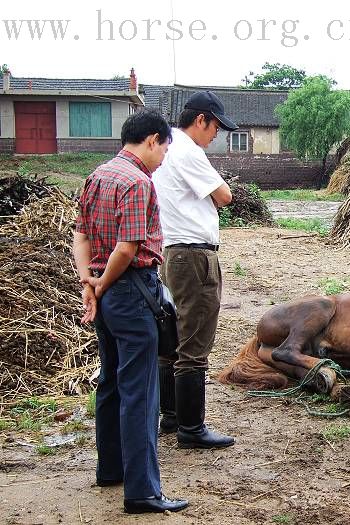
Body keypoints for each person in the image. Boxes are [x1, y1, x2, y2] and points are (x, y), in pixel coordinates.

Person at [73, 109, 188, 514]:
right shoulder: (138, 182)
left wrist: (90, 284)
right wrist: (102, 285)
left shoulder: (98, 175)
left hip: (106, 295)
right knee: (140, 392)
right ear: (153, 140)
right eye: (165, 149)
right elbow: (127, 247)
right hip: (131, 292)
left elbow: (81, 236)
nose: (163, 159)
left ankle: (113, 470)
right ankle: (142, 492)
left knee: (111, 384)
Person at [152, 91, 237, 449]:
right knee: (194, 340)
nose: (216, 134)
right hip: (194, 256)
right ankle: (192, 428)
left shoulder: (163, 148)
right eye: (215, 126)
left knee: (169, 337)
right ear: (200, 119)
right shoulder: (188, 150)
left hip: (168, 252)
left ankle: (171, 416)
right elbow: (225, 195)